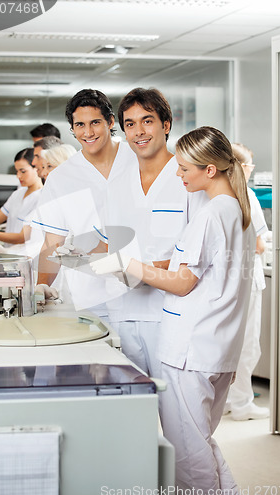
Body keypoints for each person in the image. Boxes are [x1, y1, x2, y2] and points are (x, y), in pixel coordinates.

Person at [91, 126, 256, 495]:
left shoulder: (212, 214)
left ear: (209, 170)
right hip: (217, 347)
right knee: (200, 441)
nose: (178, 175)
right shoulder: (237, 212)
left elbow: (183, 282)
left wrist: (126, 263)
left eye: (184, 169)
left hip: (191, 349)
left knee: (188, 451)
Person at [102, 87, 208, 378]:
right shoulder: (117, 184)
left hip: (172, 314)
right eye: (130, 124)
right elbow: (113, 245)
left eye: (147, 120)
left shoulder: (189, 179)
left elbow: (203, 252)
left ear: (166, 125)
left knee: (176, 417)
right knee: (133, 411)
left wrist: (145, 269)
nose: (139, 131)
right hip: (123, 312)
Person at [32, 88, 138, 310]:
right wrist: (42, 284)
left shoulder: (138, 159)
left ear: (110, 122)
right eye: (80, 125)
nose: (88, 132)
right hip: (92, 297)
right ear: (72, 129)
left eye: (95, 123)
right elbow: (53, 243)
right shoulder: (61, 178)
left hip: (145, 290)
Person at [224, 143, 270, 420]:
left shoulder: (217, 193)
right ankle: (242, 403)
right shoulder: (246, 194)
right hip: (247, 280)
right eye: (250, 165)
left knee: (230, 343)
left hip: (227, 281)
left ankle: (230, 400)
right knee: (248, 344)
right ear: (241, 166)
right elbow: (259, 246)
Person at [0, 148, 42, 252]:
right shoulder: (18, 194)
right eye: (17, 171)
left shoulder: (42, 198)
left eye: (23, 171)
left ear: (36, 168)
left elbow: (23, 237)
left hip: (26, 256)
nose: (18, 176)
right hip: (10, 254)